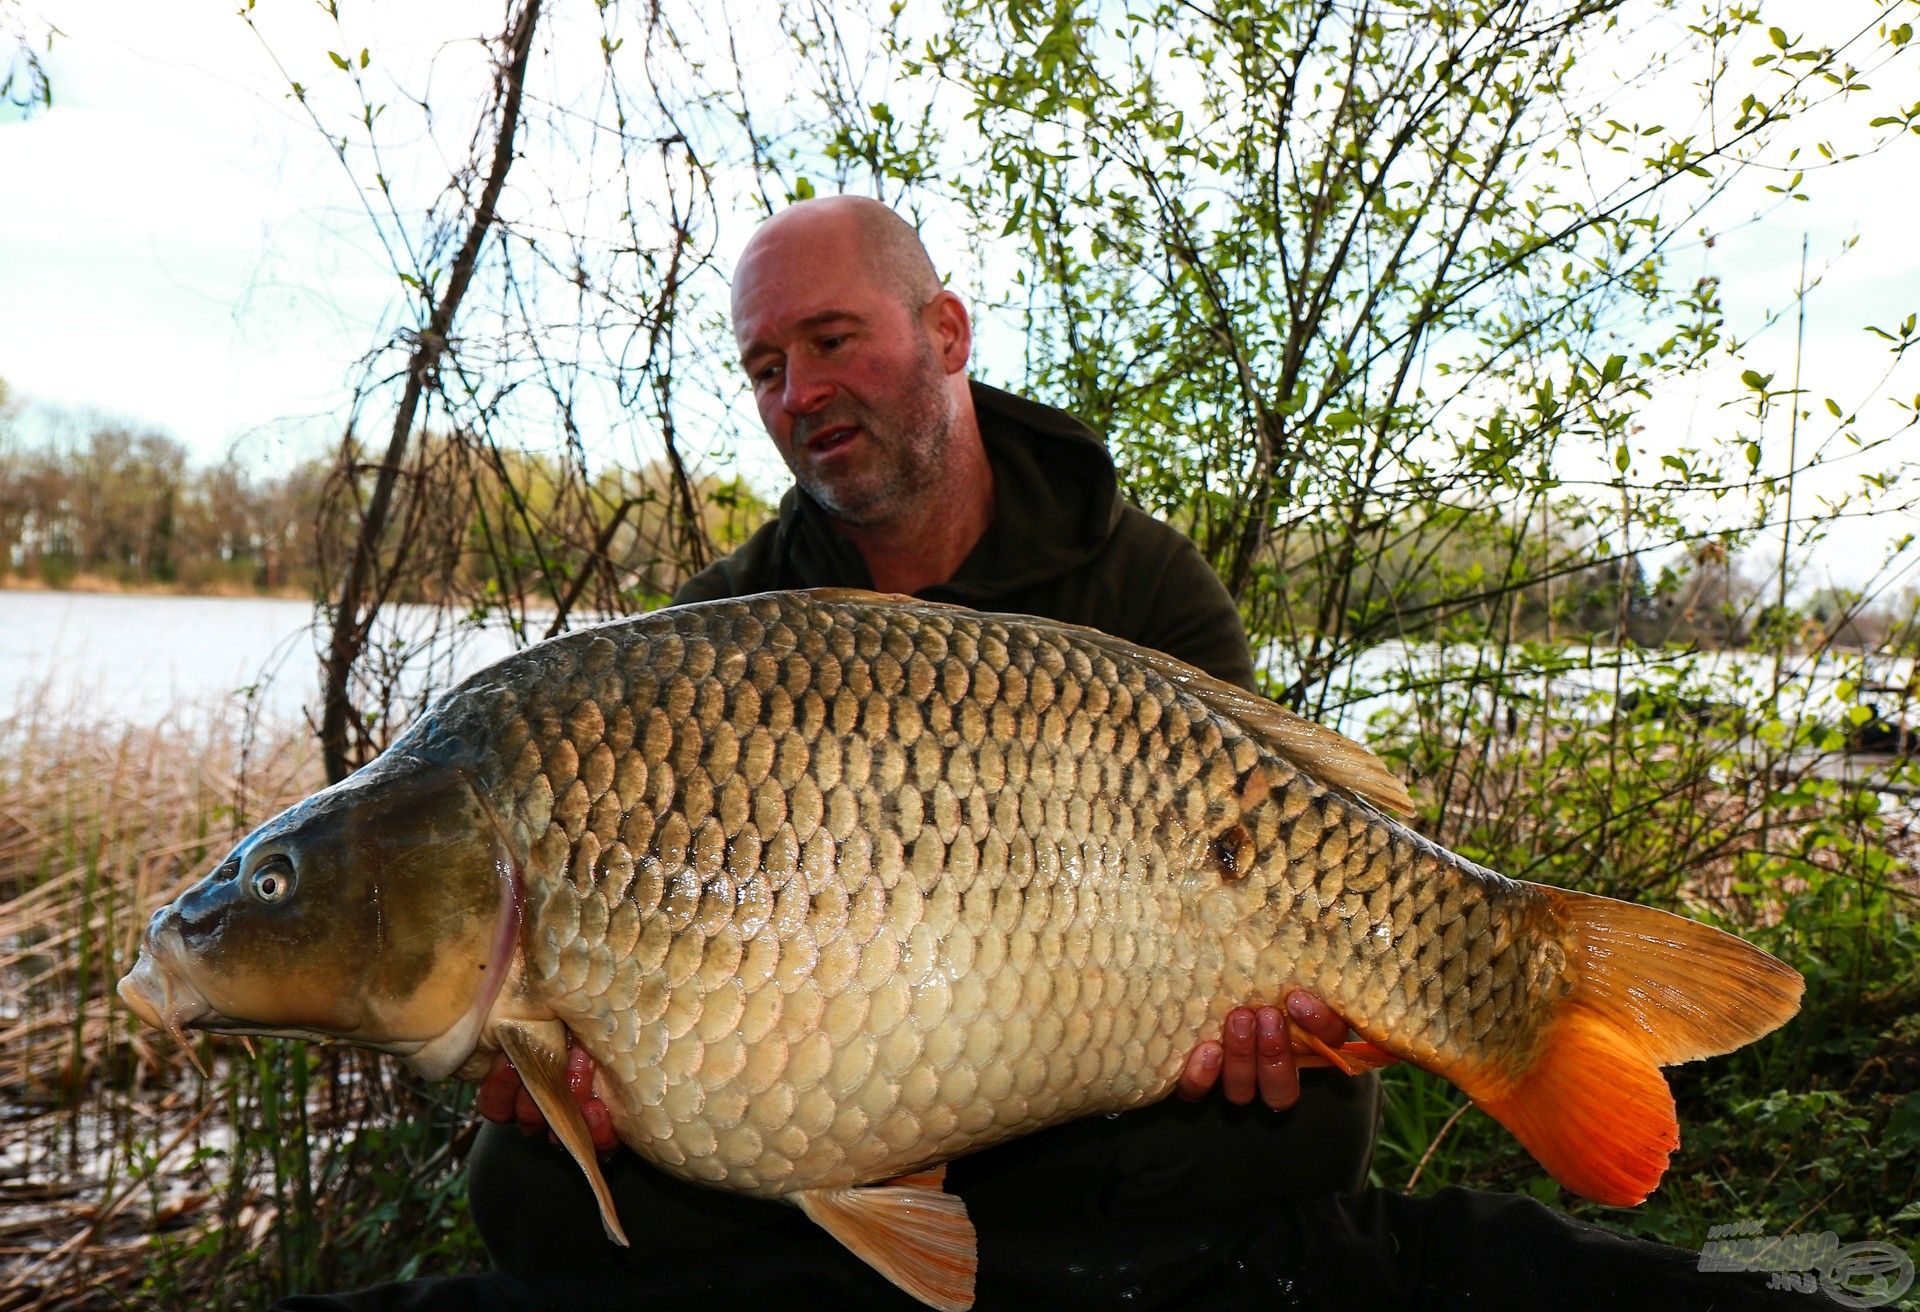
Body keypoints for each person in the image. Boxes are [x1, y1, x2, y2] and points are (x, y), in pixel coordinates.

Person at [280, 198, 1826, 1310]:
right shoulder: (715, 634)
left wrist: (1279, 1038)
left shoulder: (1144, 585)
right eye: (763, 366)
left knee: (1294, 1130)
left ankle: (1523, 992)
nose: (801, 392)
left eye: (833, 340)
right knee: (530, 1190)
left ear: (945, 334)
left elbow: (1273, 877)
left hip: (1110, 1115)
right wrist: (576, 1074)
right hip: (828, 1082)